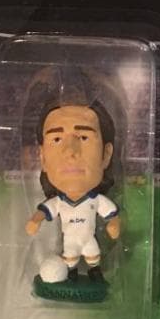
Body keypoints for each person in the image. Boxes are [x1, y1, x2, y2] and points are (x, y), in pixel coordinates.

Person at [25, 101, 120, 283]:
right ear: (42, 157)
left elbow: (112, 215)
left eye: (83, 137)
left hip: (89, 239)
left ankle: (94, 273)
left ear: (106, 154)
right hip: (70, 241)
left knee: (93, 254)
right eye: (57, 139)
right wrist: (35, 221)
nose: (70, 151)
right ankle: (71, 275)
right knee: (70, 257)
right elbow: (44, 211)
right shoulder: (59, 201)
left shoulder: (95, 199)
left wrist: (114, 225)